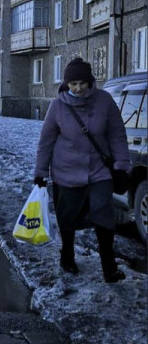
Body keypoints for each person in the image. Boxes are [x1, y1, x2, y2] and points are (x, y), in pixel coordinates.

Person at [34, 58, 131, 283]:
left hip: (99, 171)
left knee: (103, 215)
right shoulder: (57, 106)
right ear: (67, 84)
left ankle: (109, 267)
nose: (77, 88)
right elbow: (46, 141)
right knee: (67, 218)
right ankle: (67, 255)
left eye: (82, 83)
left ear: (90, 82)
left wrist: (121, 166)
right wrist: (40, 173)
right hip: (66, 171)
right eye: (73, 84)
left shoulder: (105, 101)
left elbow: (117, 135)